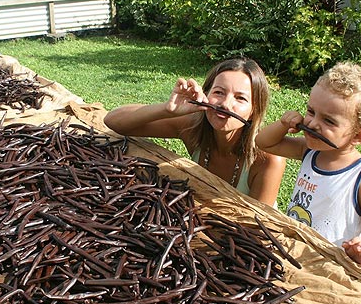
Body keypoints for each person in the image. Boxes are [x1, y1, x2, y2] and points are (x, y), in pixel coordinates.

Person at [255, 61, 361, 265]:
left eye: (328, 121)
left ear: (359, 135)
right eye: (311, 111)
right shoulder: (309, 151)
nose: (312, 123)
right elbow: (264, 142)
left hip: (331, 261)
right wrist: (283, 124)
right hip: (294, 249)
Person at [104, 58, 286, 206]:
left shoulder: (267, 158)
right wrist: (167, 109)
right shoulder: (192, 128)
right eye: (219, 92)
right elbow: (114, 120)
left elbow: (259, 226)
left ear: (254, 110)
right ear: (206, 95)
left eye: (240, 98)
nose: (225, 104)